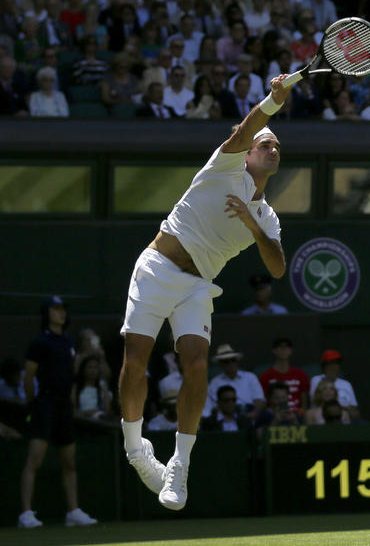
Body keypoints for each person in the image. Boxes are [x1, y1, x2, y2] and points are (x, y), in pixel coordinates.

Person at [117, 73, 291, 510]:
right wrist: (272, 101)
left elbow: (277, 267)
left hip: (197, 285)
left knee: (196, 365)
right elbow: (245, 128)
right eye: (265, 145)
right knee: (136, 360)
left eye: (276, 148)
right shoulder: (224, 164)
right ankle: (136, 450)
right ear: (247, 153)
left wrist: (252, 224)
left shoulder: (267, 216)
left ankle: (180, 463)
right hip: (157, 269)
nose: (272, 150)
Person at [19, 296, 99, 528]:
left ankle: (73, 511)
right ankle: (25, 514)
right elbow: (28, 376)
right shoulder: (39, 342)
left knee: (69, 463)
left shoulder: (68, 341)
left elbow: (71, 375)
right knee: (34, 460)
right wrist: (33, 402)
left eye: (63, 309)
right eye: (56, 309)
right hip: (43, 405)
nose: (61, 313)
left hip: (64, 407)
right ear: (47, 314)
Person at [204, 344, 266, 421]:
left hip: (249, 412)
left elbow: (259, 400)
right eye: (226, 361)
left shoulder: (250, 377)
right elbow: (214, 406)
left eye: (233, 360)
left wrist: (254, 413)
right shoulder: (215, 382)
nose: (230, 364)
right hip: (226, 415)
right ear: (221, 364)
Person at [258, 337, 310, 412]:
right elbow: (264, 401)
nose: (284, 349)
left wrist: (301, 415)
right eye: (280, 347)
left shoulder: (300, 374)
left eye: (287, 347)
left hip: (296, 415)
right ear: (274, 351)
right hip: (274, 415)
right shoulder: (266, 376)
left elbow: (304, 403)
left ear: (291, 351)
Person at [307, 350, 360, 421]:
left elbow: (354, 410)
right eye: (330, 363)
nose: (333, 366)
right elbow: (316, 402)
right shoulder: (316, 380)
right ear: (324, 365)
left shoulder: (346, 384)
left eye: (336, 363)